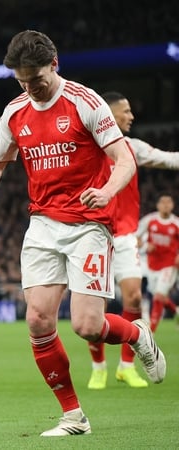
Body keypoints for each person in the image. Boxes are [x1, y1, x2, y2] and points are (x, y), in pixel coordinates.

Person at [0, 30, 165, 437]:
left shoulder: (85, 102)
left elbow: (124, 159)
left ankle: (136, 333)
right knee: (38, 320)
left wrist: (106, 191)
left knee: (88, 325)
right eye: (21, 81)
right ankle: (74, 416)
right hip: (43, 223)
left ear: (54, 65)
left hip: (89, 224)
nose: (30, 88)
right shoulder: (15, 111)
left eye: (36, 79)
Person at [86, 92, 179, 390]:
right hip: (92, 235)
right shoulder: (86, 147)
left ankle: (126, 366)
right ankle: (98, 367)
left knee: (135, 298)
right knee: (94, 308)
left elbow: (168, 159)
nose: (131, 116)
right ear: (109, 114)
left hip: (125, 235)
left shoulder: (132, 147)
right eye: (126, 111)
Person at [138, 193, 179, 331]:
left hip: (169, 266)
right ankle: (176, 311)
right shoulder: (149, 220)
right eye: (163, 202)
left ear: (172, 205)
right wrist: (145, 246)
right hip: (151, 265)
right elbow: (136, 237)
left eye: (168, 202)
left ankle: (151, 331)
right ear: (158, 205)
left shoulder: (176, 223)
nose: (166, 205)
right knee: (160, 297)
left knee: (158, 296)